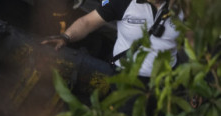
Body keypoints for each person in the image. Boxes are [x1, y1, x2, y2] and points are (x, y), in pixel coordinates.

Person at [42, 0, 181, 79]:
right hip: (125, 77)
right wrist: (66, 37)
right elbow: (87, 22)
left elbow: (195, 44)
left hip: (167, 81)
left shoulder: (184, 8)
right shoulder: (123, 2)